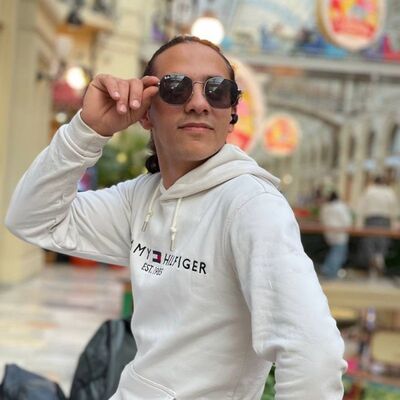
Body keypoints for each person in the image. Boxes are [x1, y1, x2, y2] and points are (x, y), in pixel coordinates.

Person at [6, 35, 347, 399]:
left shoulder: (252, 207)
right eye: (176, 88)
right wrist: (87, 130)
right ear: (146, 112)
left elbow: (314, 355)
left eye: (217, 90)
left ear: (231, 114)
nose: (198, 103)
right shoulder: (141, 197)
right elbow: (32, 219)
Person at [357, 176, 399, 275]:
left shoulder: (369, 191)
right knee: (382, 243)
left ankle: (372, 262)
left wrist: (359, 223)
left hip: (371, 219)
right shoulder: (389, 192)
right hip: (385, 220)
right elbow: (394, 209)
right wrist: (394, 223)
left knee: (369, 243)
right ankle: (379, 262)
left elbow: (361, 207)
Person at [320, 191, 352, 279]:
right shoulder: (341, 206)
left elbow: (322, 219)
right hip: (340, 233)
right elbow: (347, 221)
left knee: (333, 252)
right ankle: (331, 272)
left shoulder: (325, 207)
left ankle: (327, 269)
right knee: (338, 254)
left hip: (329, 233)